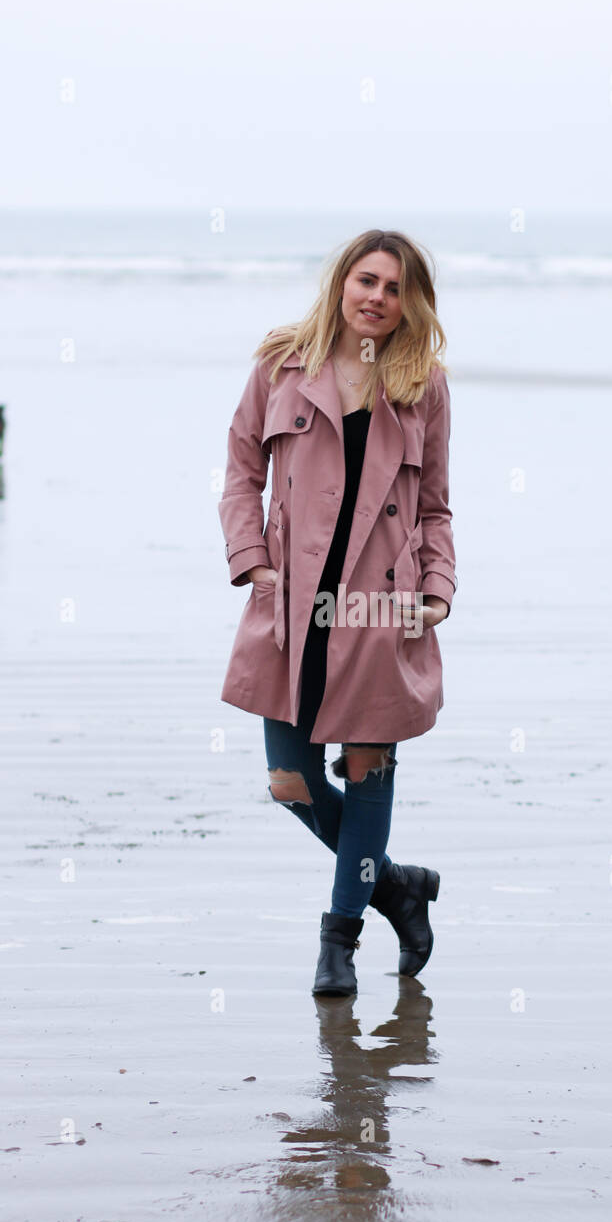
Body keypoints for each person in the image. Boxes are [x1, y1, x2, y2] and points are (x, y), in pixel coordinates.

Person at [217, 228, 457, 997]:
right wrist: (251, 562)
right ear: (341, 283)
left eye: (394, 288)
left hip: (382, 609)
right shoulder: (280, 364)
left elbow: (437, 506)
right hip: (290, 606)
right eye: (367, 281)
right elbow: (240, 473)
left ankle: (339, 942)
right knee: (290, 780)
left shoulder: (425, 383)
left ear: (409, 301)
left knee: (366, 774)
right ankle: (395, 886)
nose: (377, 298)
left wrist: (438, 590)